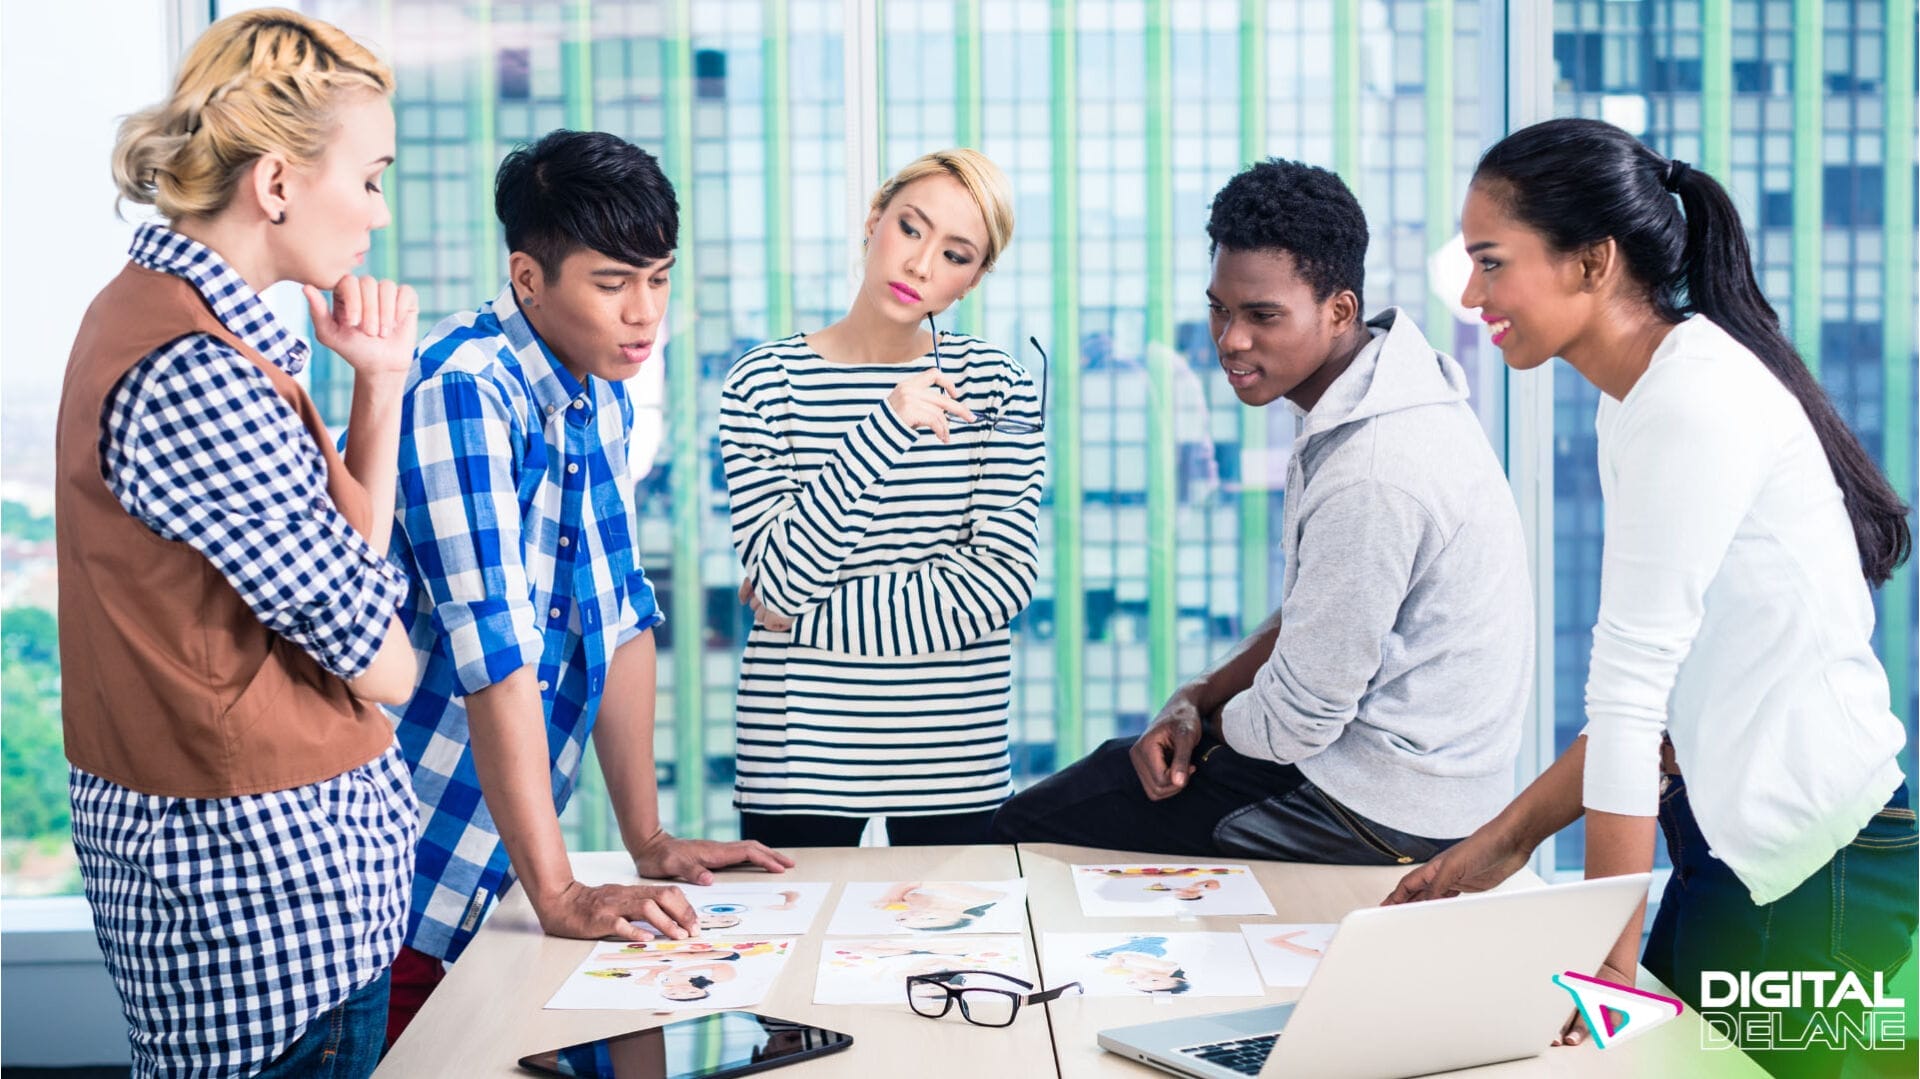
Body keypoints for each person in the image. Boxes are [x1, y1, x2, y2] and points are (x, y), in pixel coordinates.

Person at [1385, 118, 1916, 1078]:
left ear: (1593, 262)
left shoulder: (1692, 401)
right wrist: (1492, 848)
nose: (1471, 297)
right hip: (1733, 845)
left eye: (1492, 263)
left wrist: (1612, 968)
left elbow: (1630, 707)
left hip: (1814, 860)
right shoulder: (1637, 396)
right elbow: (1656, 704)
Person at [59, 9, 419, 1076]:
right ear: (275, 185)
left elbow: (343, 569)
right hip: (266, 919)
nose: (378, 216)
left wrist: (379, 382)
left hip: (278, 900)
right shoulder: (197, 373)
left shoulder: (190, 324)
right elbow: (379, 650)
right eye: (369, 178)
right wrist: (386, 647)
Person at [990, 158, 1533, 865]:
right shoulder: (1387, 386)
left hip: (1380, 809)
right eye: (1220, 307)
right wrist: (1198, 692)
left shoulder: (1375, 469)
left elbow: (1295, 724)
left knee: (1023, 832)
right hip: (1407, 779)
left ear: (1339, 309)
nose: (1229, 339)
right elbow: (1323, 613)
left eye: (1261, 315)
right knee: (1111, 773)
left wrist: (1205, 729)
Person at [383, 129, 792, 1042]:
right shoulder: (465, 389)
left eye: (659, 278)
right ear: (529, 277)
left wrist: (649, 840)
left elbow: (619, 613)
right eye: (612, 284)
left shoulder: (598, 388)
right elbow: (493, 652)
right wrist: (560, 888)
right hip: (409, 869)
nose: (644, 313)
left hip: (503, 870)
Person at [720, 148, 1045, 846]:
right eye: (910, 228)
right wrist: (886, 426)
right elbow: (779, 574)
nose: (922, 265)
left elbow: (1000, 581)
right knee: (793, 952)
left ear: (975, 279)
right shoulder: (762, 383)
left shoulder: (997, 387)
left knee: (957, 955)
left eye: (956, 254)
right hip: (795, 757)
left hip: (956, 759)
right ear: (874, 220)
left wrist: (802, 618)